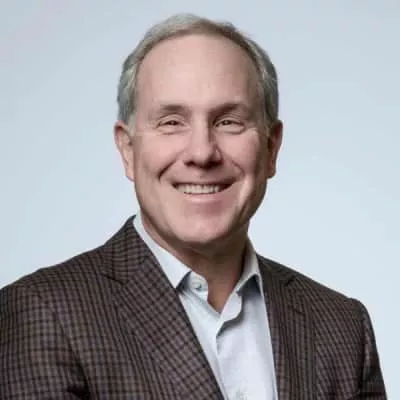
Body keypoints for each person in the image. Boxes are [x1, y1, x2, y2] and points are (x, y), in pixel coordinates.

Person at [0, 13, 386, 400]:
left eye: (229, 121)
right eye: (171, 122)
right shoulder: (44, 313)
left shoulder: (343, 327)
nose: (202, 153)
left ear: (271, 148)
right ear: (128, 150)